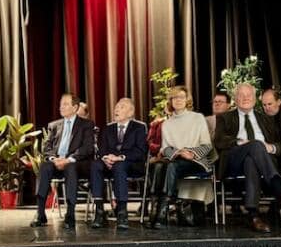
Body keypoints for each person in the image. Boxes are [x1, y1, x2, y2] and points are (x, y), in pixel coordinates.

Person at [214, 83, 281, 233]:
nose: (245, 98)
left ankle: (254, 216)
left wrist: (271, 147)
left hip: (261, 159)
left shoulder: (266, 119)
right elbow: (219, 140)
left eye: (249, 95)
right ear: (235, 99)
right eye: (241, 95)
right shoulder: (225, 117)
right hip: (234, 159)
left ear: (255, 99)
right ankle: (280, 191)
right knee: (255, 145)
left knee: (251, 160)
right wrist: (240, 142)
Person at [150, 86, 216, 229]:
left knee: (171, 166)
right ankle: (156, 209)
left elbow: (207, 145)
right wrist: (179, 153)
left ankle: (161, 213)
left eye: (181, 97)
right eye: (174, 97)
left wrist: (191, 153)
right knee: (158, 166)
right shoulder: (166, 124)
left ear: (187, 100)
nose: (178, 100)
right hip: (176, 159)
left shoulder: (197, 118)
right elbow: (165, 148)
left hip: (197, 160)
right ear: (170, 101)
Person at [30, 93, 94, 230]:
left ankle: (70, 214)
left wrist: (69, 159)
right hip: (57, 161)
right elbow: (46, 148)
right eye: (60, 104)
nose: (61, 107)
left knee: (70, 167)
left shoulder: (86, 125)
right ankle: (40, 213)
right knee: (45, 166)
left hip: (76, 163)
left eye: (65, 104)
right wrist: (54, 159)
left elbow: (87, 148)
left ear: (75, 107)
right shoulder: (54, 125)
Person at [89, 98, 147, 229]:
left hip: (131, 164)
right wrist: (106, 158)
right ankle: (99, 211)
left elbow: (140, 151)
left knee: (119, 166)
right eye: (116, 107)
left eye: (121, 107)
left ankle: (122, 212)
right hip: (110, 162)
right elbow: (101, 149)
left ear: (130, 112)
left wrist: (120, 157)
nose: (117, 109)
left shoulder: (139, 128)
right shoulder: (108, 128)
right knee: (95, 165)